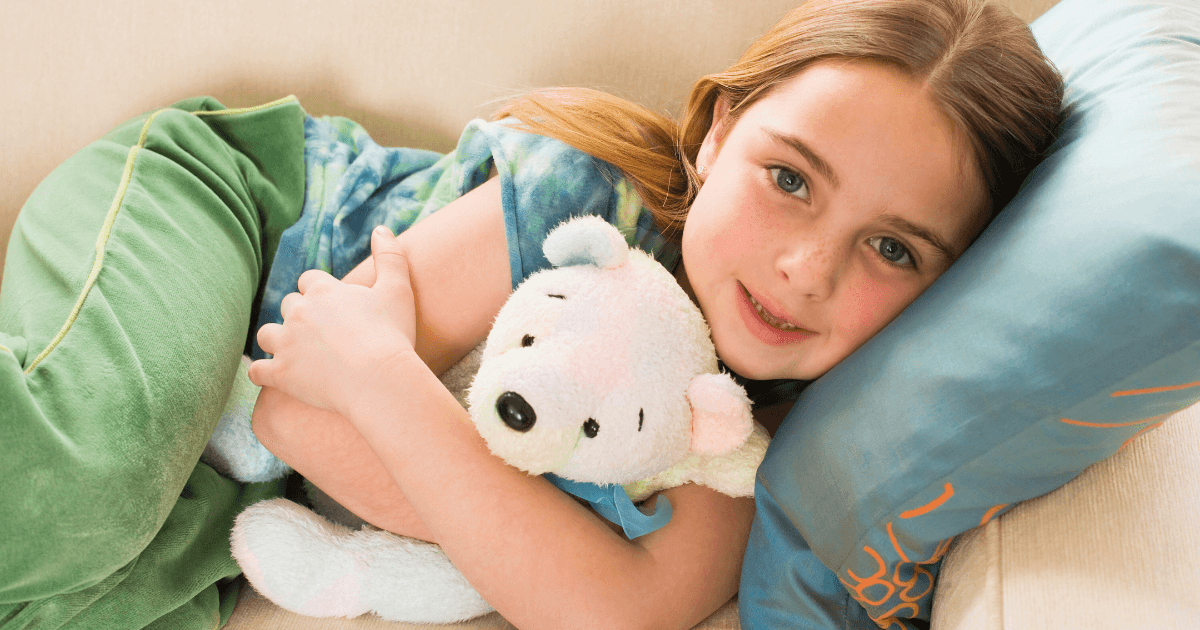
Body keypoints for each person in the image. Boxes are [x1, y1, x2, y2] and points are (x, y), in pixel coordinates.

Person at [0, 0, 1061, 628]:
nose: (804, 267)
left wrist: (378, 379)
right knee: (83, 484)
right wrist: (534, 540)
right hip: (232, 218)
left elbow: (615, 615)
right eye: (790, 179)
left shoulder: (763, 430)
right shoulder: (584, 197)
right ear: (719, 135)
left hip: (257, 443)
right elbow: (299, 423)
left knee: (105, 594)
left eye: (892, 248)